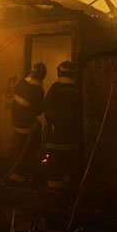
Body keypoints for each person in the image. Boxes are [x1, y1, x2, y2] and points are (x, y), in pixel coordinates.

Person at [44, 61, 81, 191]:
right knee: (67, 159)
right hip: (70, 135)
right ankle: (66, 187)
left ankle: (53, 187)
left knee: (55, 160)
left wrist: (52, 124)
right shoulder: (76, 90)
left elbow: (47, 109)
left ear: (59, 72)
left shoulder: (55, 88)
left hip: (55, 134)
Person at [9, 62, 47, 184]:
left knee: (19, 147)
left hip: (15, 122)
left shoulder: (21, 82)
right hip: (26, 126)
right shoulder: (38, 89)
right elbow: (38, 111)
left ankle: (16, 172)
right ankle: (33, 161)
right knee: (31, 145)